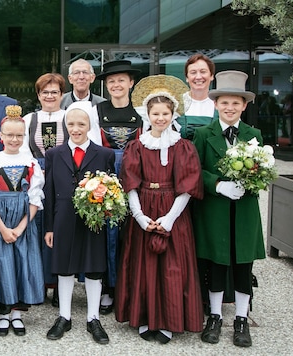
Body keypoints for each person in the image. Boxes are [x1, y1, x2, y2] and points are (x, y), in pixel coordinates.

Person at [115, 76, 204, 344]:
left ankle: (168, 321)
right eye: (156, 113)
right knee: (143, 265)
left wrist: (169, 218)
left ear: (173, 114)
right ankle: (144, 317)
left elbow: (187, 186)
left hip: (172, 212)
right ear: (148, 114)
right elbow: (130, 183)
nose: (161, 118)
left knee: (171, 267)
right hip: (144, 208)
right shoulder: (137, 146)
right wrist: (140, 217)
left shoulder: (183, 147)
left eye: (166, 113)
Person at [193, 71, 264, 348]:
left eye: (236, 103)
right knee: (218, 261)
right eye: (225, 103)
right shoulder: (202, 134)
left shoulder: (253, 134)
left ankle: (242, 319)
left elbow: (263, 168)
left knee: (244, 263)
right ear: (215, 104)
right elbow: (195, 170)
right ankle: (214, 315)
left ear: (244, 106)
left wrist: (252, 182)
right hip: (215, 209)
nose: (230, 108)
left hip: (244, 210)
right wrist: (217, 184)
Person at [44, 101, 115, 345]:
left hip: (92, 220)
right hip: (62, 218)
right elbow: (50, 191)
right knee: (64, 267)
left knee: (94, 268)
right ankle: (64, 316)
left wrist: (105, 213)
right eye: (71, 124)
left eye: (81, 124)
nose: (76, 129)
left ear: (90, 125)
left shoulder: (104, 154)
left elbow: (110, 189)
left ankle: (93, 317)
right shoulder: (54, 154)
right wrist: (49, 227)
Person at [0, 105, 45, 337]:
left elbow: (35, 198)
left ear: (24, 136)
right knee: (2, 264)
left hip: (23, 223)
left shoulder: (32, 163)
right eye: (10, 135)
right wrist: (3, 229)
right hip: (0, 222)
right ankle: (3, 314)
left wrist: (20, 227)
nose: (14, 139)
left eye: (19, 135)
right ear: (1, 137)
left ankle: (17, 314)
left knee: (22, 263)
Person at [93, 59, 142, 314]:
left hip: (135, 178)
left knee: (132, 235)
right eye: (111, 81)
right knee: (106, 236)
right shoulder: (97, 112)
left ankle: (129, 287)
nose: (116, 85)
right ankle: (107, 288)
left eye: (121, 80)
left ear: (131, 82)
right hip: (105, 177)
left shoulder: (142, 113)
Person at [20, 73, 67, 308]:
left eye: (54, 92)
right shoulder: (29, 119)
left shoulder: (69, 117)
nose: (50, 96)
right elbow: (23, 150)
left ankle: (59, 283)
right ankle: (38, 283)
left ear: (61, 95)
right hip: (35, 177)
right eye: (45, 92)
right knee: (37, 229)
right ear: (38, 95)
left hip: (64, 177)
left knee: (60, 229)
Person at [177, 54, 218, 140]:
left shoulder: (221, 104)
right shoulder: (176, 103)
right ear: (187, 78)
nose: (198, 77)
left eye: (203, 71)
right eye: (193, 72)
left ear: (211, 76)